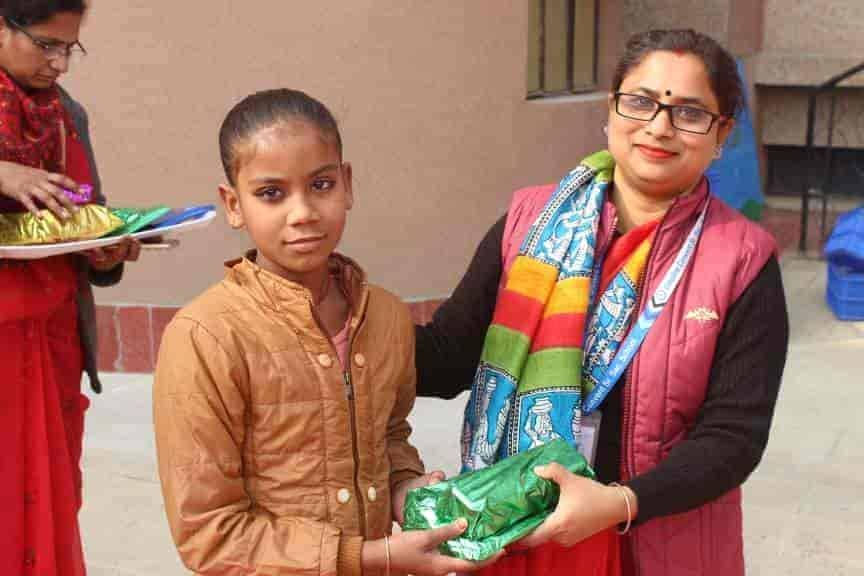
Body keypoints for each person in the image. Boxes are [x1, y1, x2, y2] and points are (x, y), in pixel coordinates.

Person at [416, 29, 789, 576]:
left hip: (659, 548)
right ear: (610, 108)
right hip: (517, 533)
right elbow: (448, 356)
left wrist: (621, 504)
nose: (658, 127)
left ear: (722, 132)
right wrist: (333, 317)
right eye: (640, 101)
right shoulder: (529, 223)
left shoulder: (742, 260)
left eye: (688, 113)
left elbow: (733, 438)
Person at [153, 88, 499, 575]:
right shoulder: (205, 338)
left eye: (321, 185)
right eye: (271, 193)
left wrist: (406, 489)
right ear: (233, 205)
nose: (303, 213)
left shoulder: (384, 317)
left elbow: (388, 436)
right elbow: (209, 534)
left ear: (347, 183)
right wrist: (372, 558)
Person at [0, 1, 140, 574]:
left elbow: (89, 209)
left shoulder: (66, 115)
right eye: (46, 45)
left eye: (69, 47)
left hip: (53, 340)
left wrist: (107, 247)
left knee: (47, 503)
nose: (59, 63)